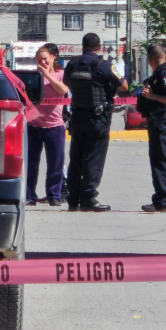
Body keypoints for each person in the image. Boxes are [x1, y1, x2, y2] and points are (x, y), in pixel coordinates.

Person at [64, 33, 128, 212]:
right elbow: (123, 86)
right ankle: (88, 198)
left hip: (77, 116)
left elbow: (68, 83)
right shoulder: (103, 65)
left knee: (76, 158)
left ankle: (73, 199)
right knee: (94, 158)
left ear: (82, 46)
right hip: (97, 118)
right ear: (99, 48)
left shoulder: (72, 64)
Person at [26, 43, 69, 207]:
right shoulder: (35, 76)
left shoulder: (61, 74)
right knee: (31, 163)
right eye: (39, 60)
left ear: (53, 57)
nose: (42, 62)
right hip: (34, 125)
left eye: (44, 59)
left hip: (54, 126)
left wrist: (47, 75)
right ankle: (29, 195)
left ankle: (54, 195)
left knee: (55, 163)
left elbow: (63, 90)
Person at [139, 43, 166, 213]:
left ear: (150, 59)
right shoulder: (159, 74)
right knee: (158, 161)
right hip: (158, 123)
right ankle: (160, 199)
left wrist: (152, 96)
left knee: (161, 162)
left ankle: (162, 201)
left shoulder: (164, 74)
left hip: (162, 124)